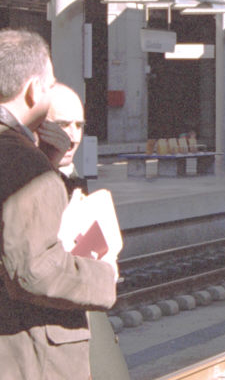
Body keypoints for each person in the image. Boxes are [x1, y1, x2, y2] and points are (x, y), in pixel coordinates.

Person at [0, 29, 117, 380]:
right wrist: (104, 276)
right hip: (27, 353)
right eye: (50, 86)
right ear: (34, 90)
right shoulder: (21, 162)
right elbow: (33, 270)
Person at [43, 83, 130, 380]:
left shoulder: (74, 177)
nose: (74, 136)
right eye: (63, 124)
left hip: (85, 323)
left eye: (79, 125)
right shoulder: (21, 181)